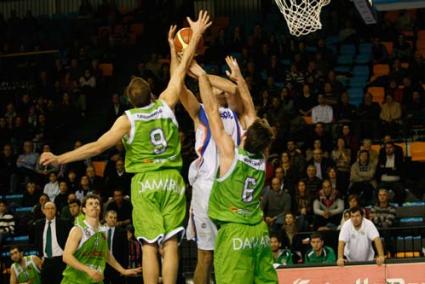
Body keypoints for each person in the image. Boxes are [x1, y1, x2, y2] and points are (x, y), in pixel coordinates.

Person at [40, 11, 211, 284]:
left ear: (130, 101)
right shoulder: (166, 103)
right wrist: (191, 37)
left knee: (148, 246)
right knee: (170, 245)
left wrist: (60, 157)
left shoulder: (126, 120)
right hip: (171, 181)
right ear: (152, 94)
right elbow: (180, 71)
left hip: (144, 183)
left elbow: (94, 148)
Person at [190, 62, 277, 283]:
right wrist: (240, 79)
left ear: (245, 137)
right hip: (257, 231)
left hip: (234, 230)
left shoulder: (231, 155)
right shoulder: (262, 159)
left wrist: (202, 76)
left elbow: (212, 112)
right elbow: (250, 111)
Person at [61, 194, 140, 283]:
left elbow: (106, 254)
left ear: (100, 209)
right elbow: (66, 257)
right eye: (90, 204)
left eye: (97, 203)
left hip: (95, 280)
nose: (95, 205)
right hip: (75, 281)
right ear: (84, 209)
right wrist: (88, 270)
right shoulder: (78, 230)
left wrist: (123, 271)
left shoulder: (103, 231)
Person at [34, 201, 72, 283]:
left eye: (52, 208)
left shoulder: (64, 223)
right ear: (43, 210)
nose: (50, 211)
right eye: (47, 208)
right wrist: (40, 256)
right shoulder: (38, 225)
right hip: (46, 261)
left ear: (56, 210)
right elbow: (37, 242)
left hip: (61, 260)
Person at [103, 210, 129, 284]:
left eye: (115, 218)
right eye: (111, 217)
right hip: (103, 264)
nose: (113, 220)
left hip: (117, 264)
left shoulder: (122, 232)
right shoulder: (100, 230)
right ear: (106, 218)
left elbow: (125, 251)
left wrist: (124, 268)